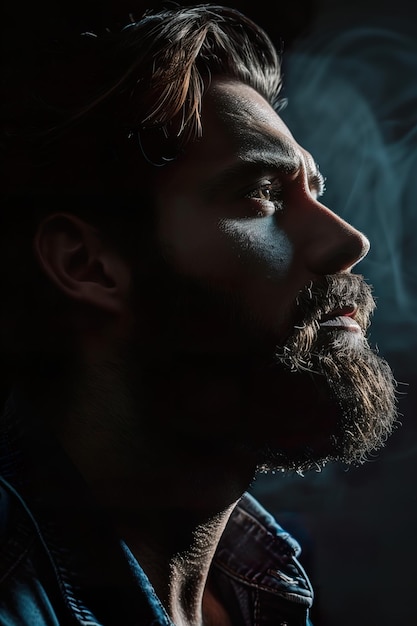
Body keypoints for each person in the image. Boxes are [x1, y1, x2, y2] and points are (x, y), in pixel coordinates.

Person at [0, 4, 398, 625]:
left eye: (316, 192)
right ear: (88, 265)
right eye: (260, 192)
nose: (349, 242)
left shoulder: (259, 593)